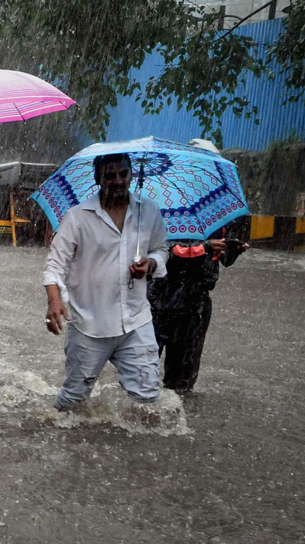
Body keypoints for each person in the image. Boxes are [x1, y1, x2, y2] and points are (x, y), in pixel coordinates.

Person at [43, 153, 169, 411]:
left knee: (148, 401)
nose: (118, 181)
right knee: (72, 401)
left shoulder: (149, 211)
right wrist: (54, 300)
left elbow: (161, 249)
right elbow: (55, 264)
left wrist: (150, 263)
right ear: (97, 178)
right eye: (110, 176)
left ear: (132, 174)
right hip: (90, 325)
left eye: (123, 174)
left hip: (136, 322)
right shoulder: (78, 217)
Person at [148, 230, 248, 393]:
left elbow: (224, 260)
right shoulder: (162, 217)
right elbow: (167, 251)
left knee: (183, 371)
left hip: (196, 300)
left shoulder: (213, 221)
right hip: (162, 297)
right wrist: (204, 247)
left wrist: (233, 249)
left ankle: (177, 404)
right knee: (145, 361)